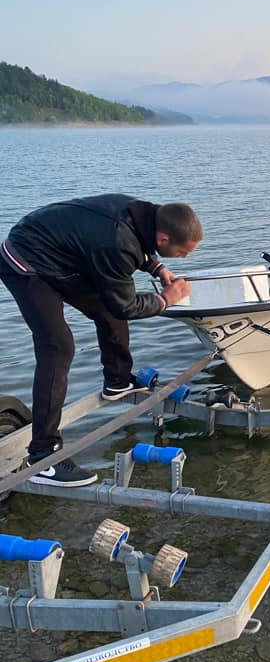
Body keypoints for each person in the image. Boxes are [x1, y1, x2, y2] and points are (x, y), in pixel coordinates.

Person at [0, 193, 202, 487]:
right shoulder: (117, 242)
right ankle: (43, 456)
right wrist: (164, 299)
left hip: (63, 255)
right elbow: (127, 305)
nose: (186, 258)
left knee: (109, 309)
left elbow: (133, 253)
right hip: (25, 262)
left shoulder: (142, 215)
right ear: (163, 239)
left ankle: (117, 380)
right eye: (184, 253)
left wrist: (158, 268)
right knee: (58, 347)